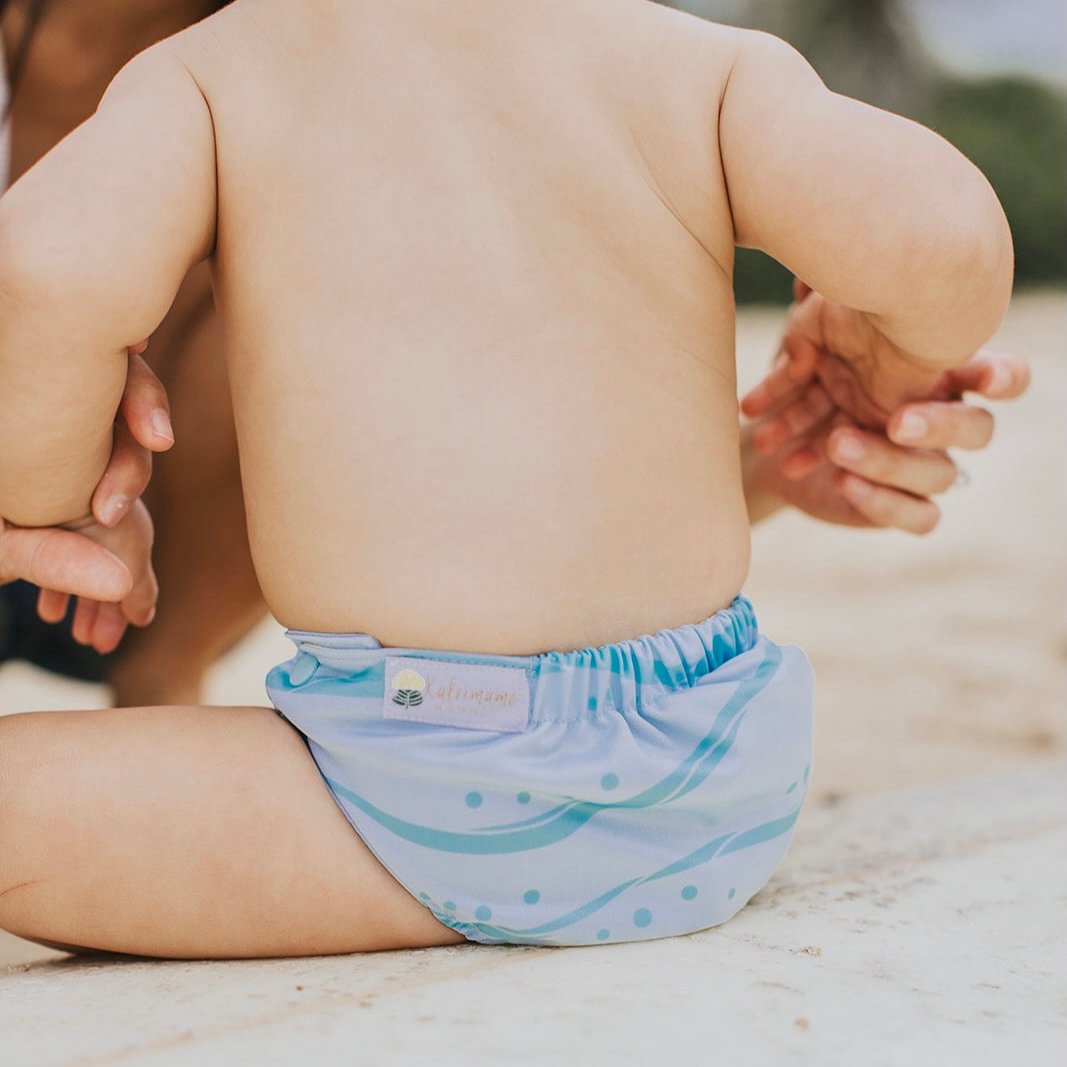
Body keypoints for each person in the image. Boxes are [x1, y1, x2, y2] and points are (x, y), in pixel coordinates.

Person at [0, 0, 1015, 958]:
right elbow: (941, 236)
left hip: (407, 782)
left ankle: (450, 874)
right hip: (718, 775)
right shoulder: (695, 65)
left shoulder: (211, 76)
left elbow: (43, 275)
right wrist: (878, 365)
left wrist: (64, 505)